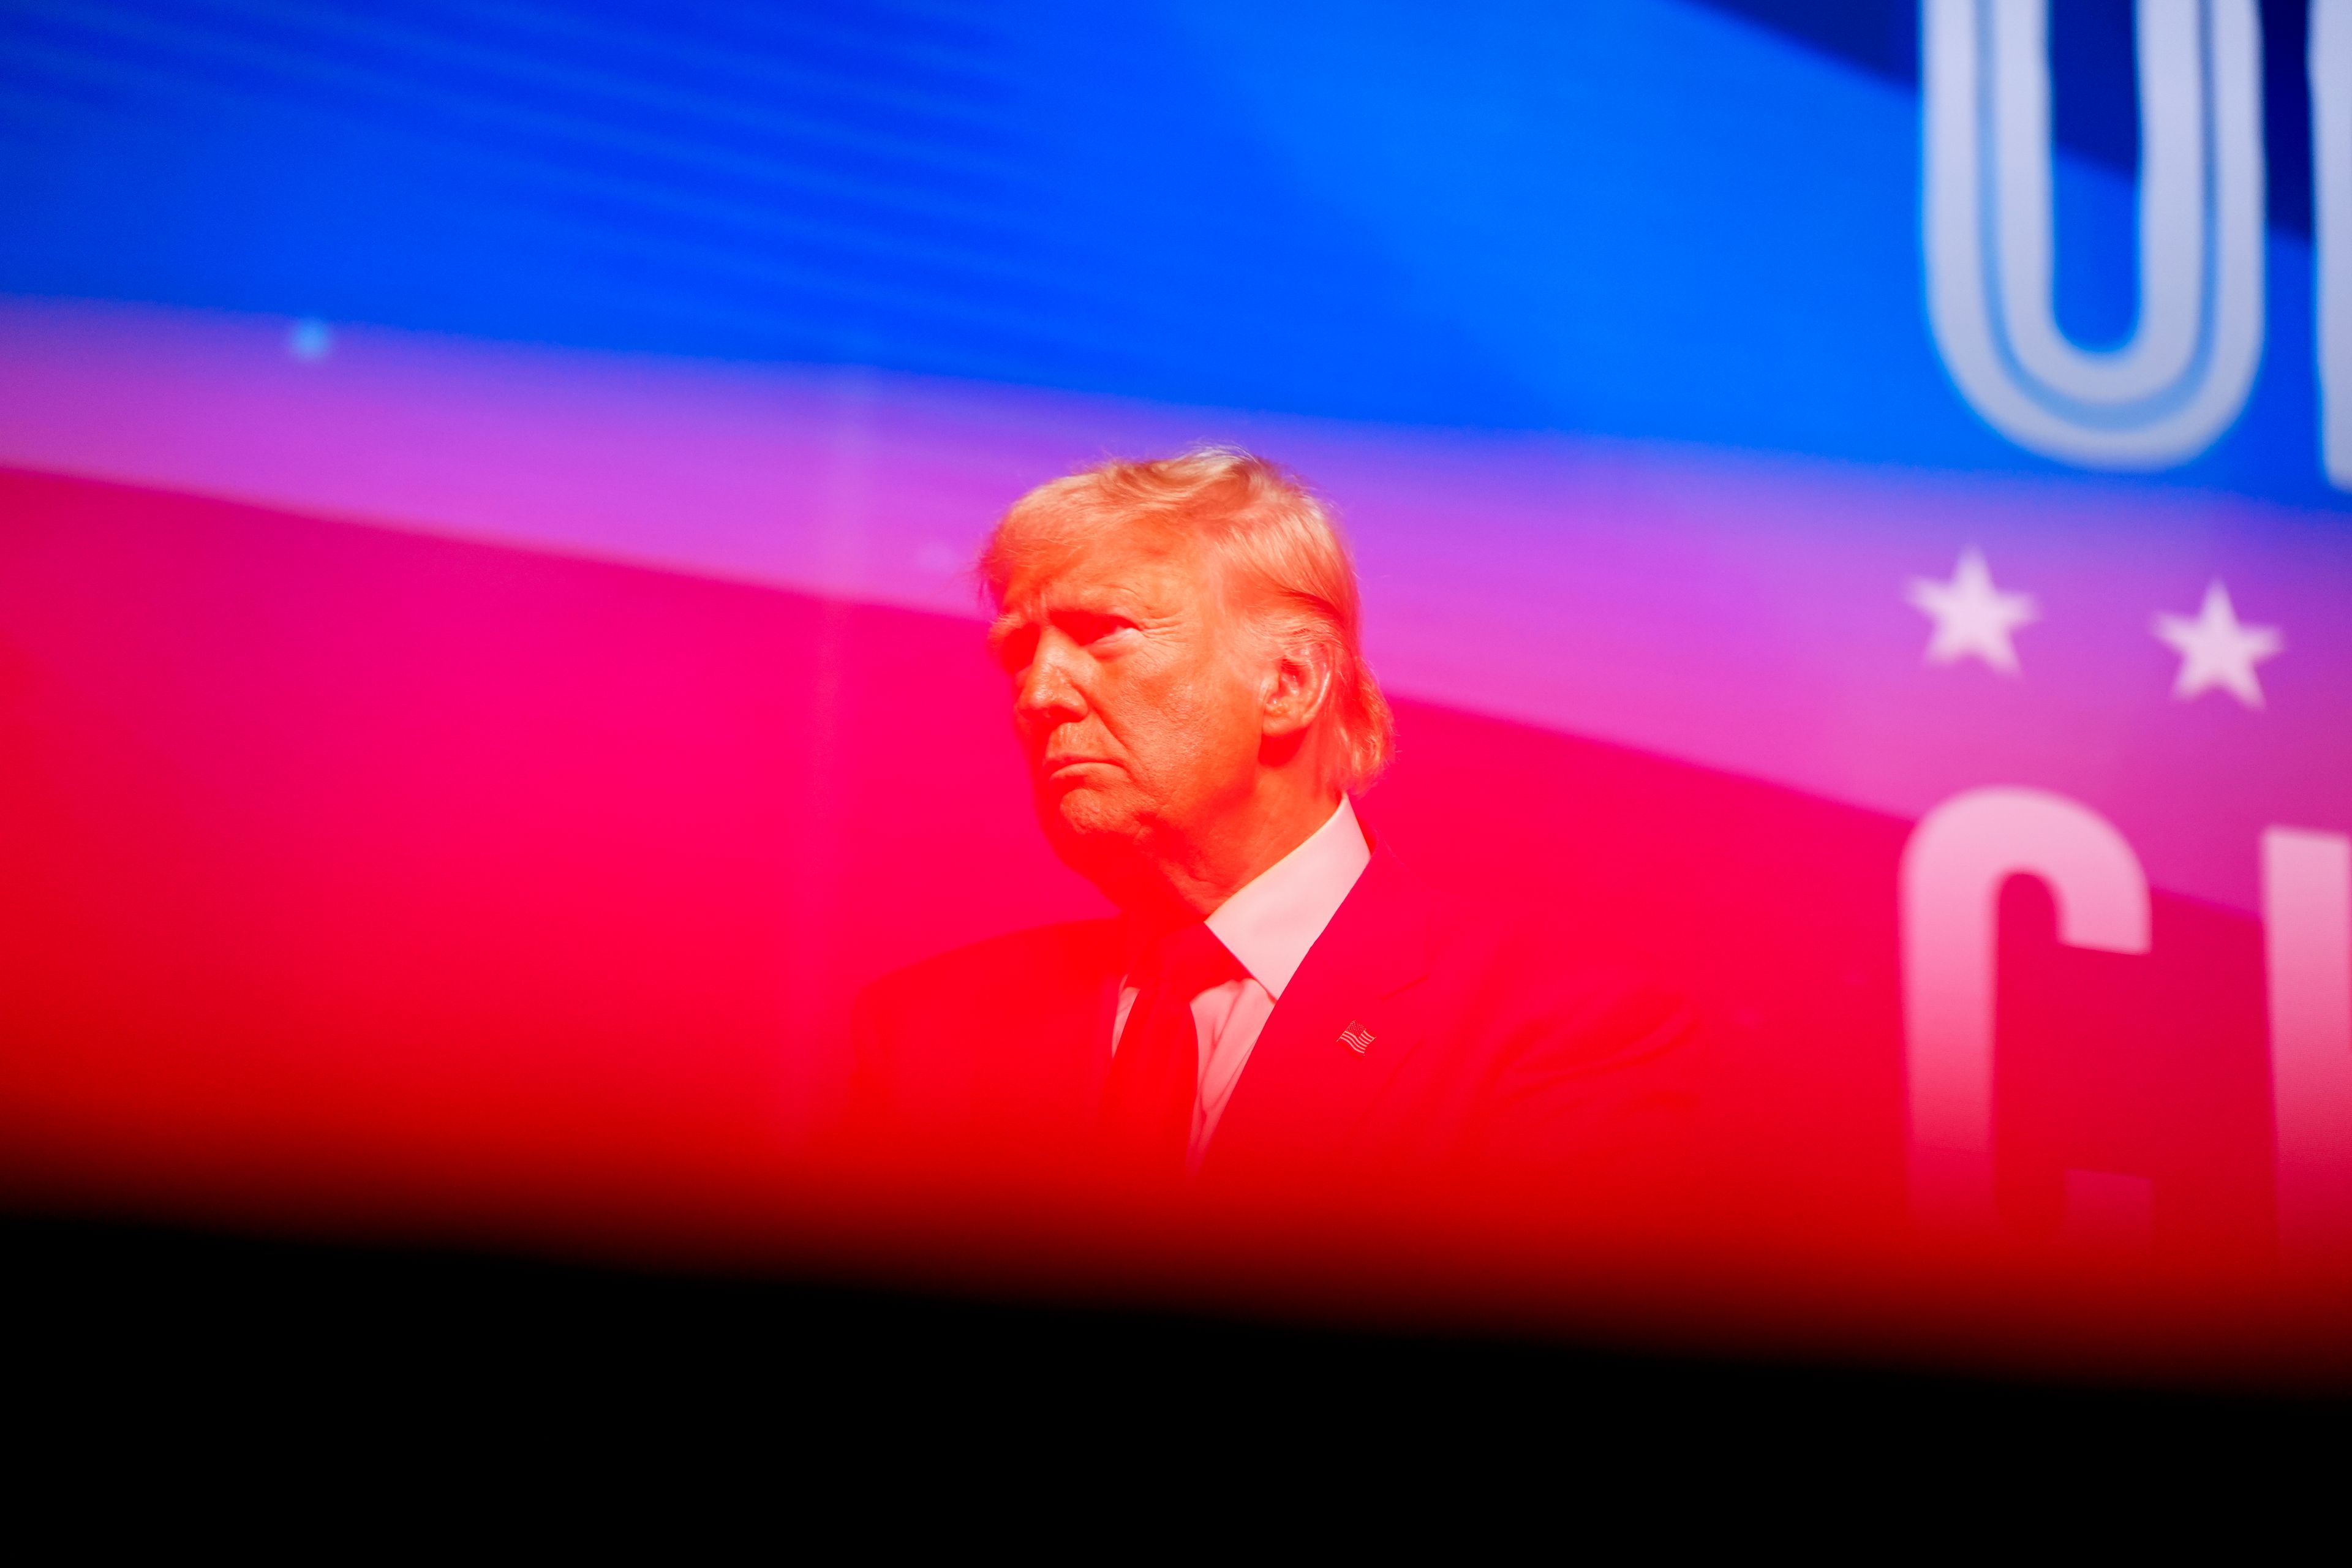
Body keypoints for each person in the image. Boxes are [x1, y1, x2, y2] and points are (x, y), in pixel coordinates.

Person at [845, 449, 1694, 1212]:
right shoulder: (926, 1035)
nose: (1038, 694)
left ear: (1290, 683)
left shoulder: (1560, 1030)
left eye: (1105, 633)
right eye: (1016, 653)